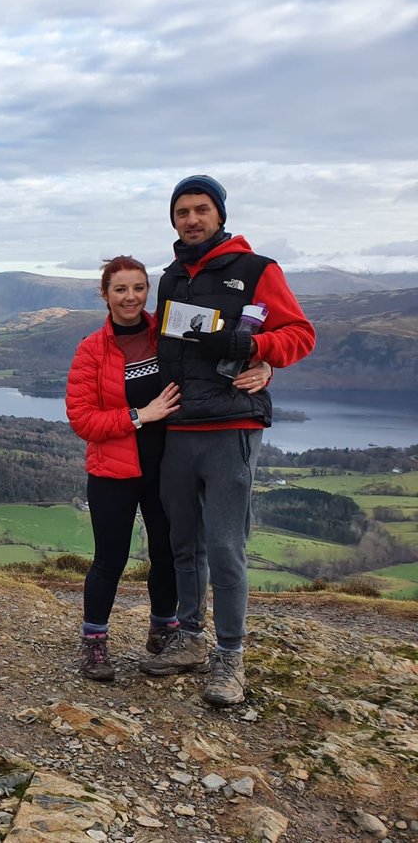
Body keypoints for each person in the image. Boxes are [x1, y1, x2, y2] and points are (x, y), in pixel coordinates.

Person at [139, 175, 315, 707]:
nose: (191, 219)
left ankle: (230, 656)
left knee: (225, 546)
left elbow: (300, 335)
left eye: (201, 209)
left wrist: (255, 349)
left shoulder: (257, 269)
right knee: (182, 544)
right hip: (178, 427)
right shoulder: (170, 277)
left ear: (219, 214)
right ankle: (191, 638)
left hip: (231, 428)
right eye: (182, 212)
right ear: (173, 220)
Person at [65, 256, 183, 682]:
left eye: (138, 288)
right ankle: (94, 644)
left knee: (167, 554)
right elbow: (82, 420)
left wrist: (262, 367)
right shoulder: (92, 349)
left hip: (167, 468)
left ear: (147, 291)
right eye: (120, 289)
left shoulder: (169, 336)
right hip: (112, 472)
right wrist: (141, 415)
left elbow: (212, 371)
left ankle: (164, 632)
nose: (130, 297)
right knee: (109, 560)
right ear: (105, 294)